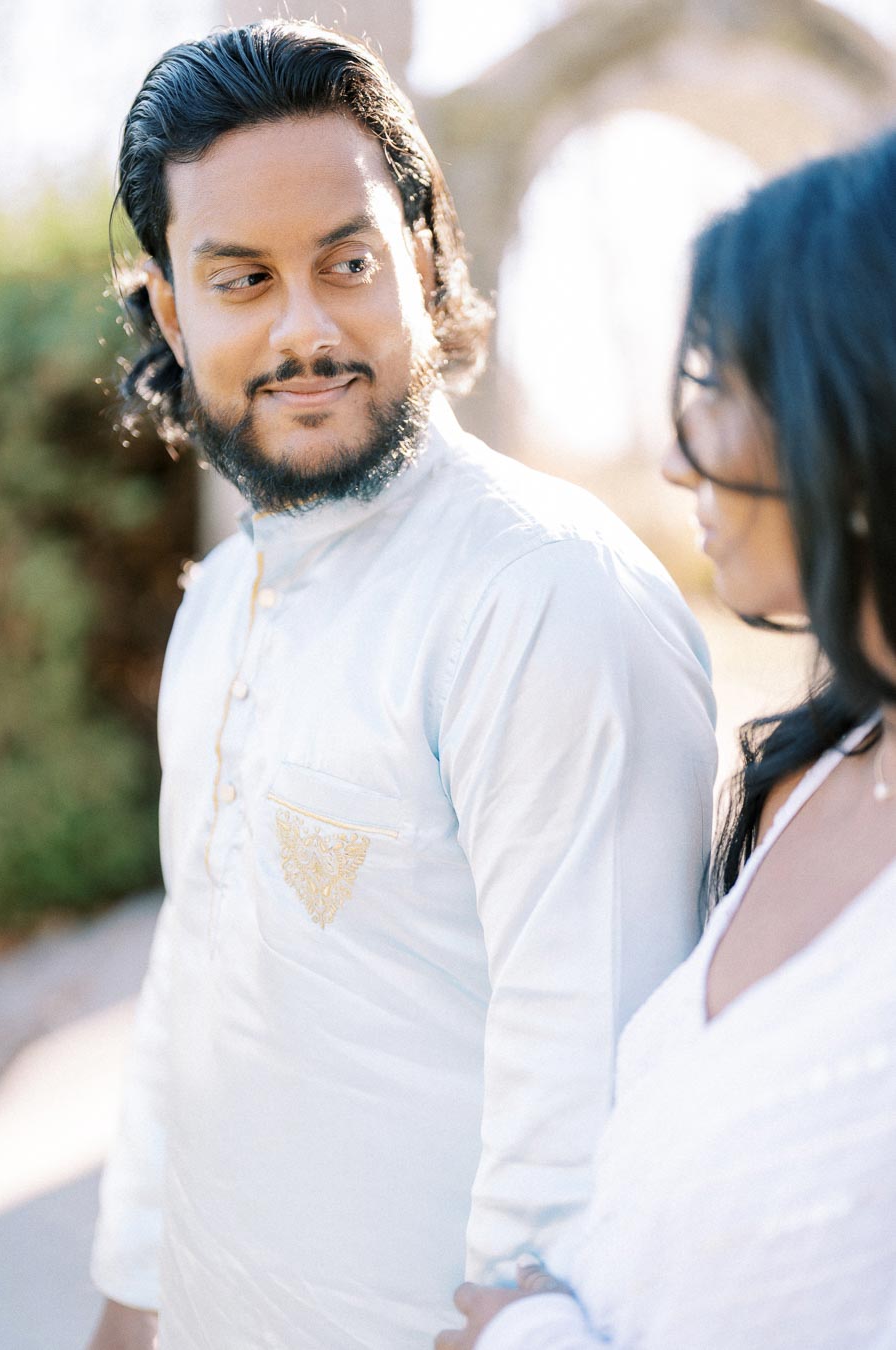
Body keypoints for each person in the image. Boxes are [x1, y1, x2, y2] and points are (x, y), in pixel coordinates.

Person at [86, 20, 716, 1350]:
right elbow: (186, 1008)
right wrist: (129, 1304)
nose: (306, 327)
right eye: (242, 277)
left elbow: (589, 1130)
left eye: (350, 261)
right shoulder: (220, 608)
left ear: (426, 262)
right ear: (167, 309)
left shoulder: (543, 596)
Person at [439, 131, 896, 1350]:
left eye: (723, 381)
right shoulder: (821, 768)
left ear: (857, 411)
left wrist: (527, 1333)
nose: (675, 450)